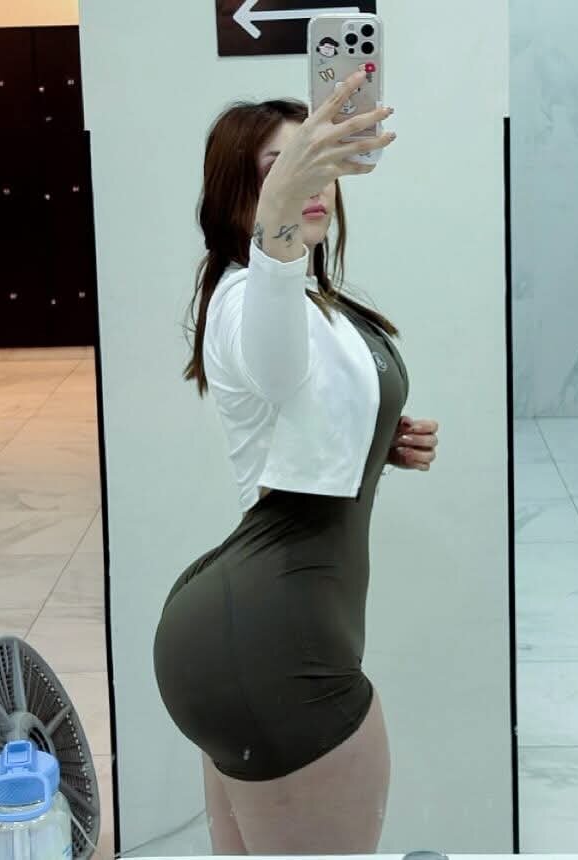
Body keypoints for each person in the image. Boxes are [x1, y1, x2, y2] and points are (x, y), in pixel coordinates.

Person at [153, 71, 440, 854]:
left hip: (250, 633)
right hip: (274, 646)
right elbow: (277, 370)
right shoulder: (246, 295)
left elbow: (299, 406)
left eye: (315, 162)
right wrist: (278, 225)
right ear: (234, 197)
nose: (307, 183)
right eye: (277, 168)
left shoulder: (308, 296)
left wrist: (377, 442)